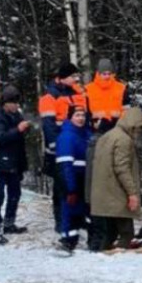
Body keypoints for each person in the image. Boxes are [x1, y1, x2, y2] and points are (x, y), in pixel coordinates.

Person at [89, 107, 142, 250]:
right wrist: (132, 193)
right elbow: (122, 168)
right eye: (139, 128)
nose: (140, 132)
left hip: (103, 193)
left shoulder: (107, 136)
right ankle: (120, 264)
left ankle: (102, 256)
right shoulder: (124, 140)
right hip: (117, 194)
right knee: (126, 234)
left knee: (109, 234)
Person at [38, 62, 86, 232]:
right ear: (63, 77)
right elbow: (48, 124)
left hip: (76, 145)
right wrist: (55, 145)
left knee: (77, 185)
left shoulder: (78, 94)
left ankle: (76, 219)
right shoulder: (49, 97)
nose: (76, 79)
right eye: (73, 76)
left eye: (77, 76)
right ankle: (61, 222)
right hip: (58, 148)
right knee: (61, 187)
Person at [0, 85, 30, 244]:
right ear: (6, 103)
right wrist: (18, 130)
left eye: (17, 103)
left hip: (14, 161)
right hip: (1, 163)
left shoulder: (17, 115)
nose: (17, 106)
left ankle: (9, 223)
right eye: (14, 102)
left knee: (15, 194)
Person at [55, 105, 91, 254]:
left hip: (84, 179)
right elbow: (65, 166)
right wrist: (70, 188)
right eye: (77, 115)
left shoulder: (86, 133)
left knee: (80, 211)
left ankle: (80, 238)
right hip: (71, 179)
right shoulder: (67, 137)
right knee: (69, 210)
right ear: (70, 117)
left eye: (82, 115)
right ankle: (67, 241)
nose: (81, 118)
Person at [85, 58, 131, 134]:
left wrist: (120, 117)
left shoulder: (121, 88)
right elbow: (86, 112)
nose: (107, 76)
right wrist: (92, 122)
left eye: (109, 74)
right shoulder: (88, 89)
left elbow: (127, 110)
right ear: (98, 74)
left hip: (118, 128)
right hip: (96, 129)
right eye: (104, 74)